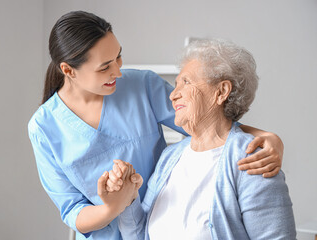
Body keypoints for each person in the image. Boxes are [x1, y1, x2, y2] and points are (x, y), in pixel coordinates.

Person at [28, 11, 285, 239]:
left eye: (118, 57)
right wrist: (115, 205)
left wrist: (266, 136)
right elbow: (72, 209)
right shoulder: (43, 128)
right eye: (105, 67)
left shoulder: (141, 86)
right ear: (68, 70)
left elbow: (206, 125)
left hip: (166, 224)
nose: (118, 71)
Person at [102, 38, 296, 239]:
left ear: (221, 92)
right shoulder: (170, 157)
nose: (173, 95)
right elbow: (138, 235)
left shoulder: (253, 159)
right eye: (176, 84)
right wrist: (127, 198)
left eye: (186, 82)